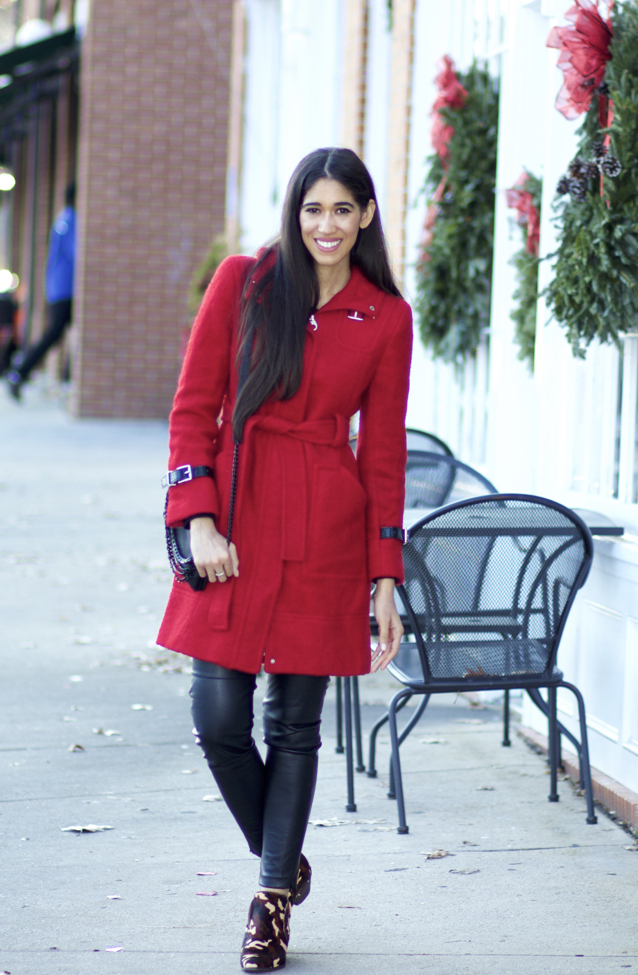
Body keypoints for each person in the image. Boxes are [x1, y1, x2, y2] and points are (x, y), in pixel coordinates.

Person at [157, 147, 412, 971]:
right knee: (218, 719)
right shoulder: (244, 282)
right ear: (293, 211)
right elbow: (194, 406)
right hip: (234, 518)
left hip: (327, 532)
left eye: (342, 209)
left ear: (365, 216)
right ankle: (286, 855)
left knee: (292, 726)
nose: (326, 225)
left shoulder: (385, 317)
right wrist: (196, 518)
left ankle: (271, 899)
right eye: (312, 208)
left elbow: (382, 455)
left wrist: (384, 576)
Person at [6, 182, 76, 400]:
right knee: (55, 333)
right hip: (65, 288)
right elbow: (78, 253)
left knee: (62, 332)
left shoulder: (64, 218)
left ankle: (66, 377)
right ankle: (21, 371)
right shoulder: (70, 220)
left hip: (60, 287)